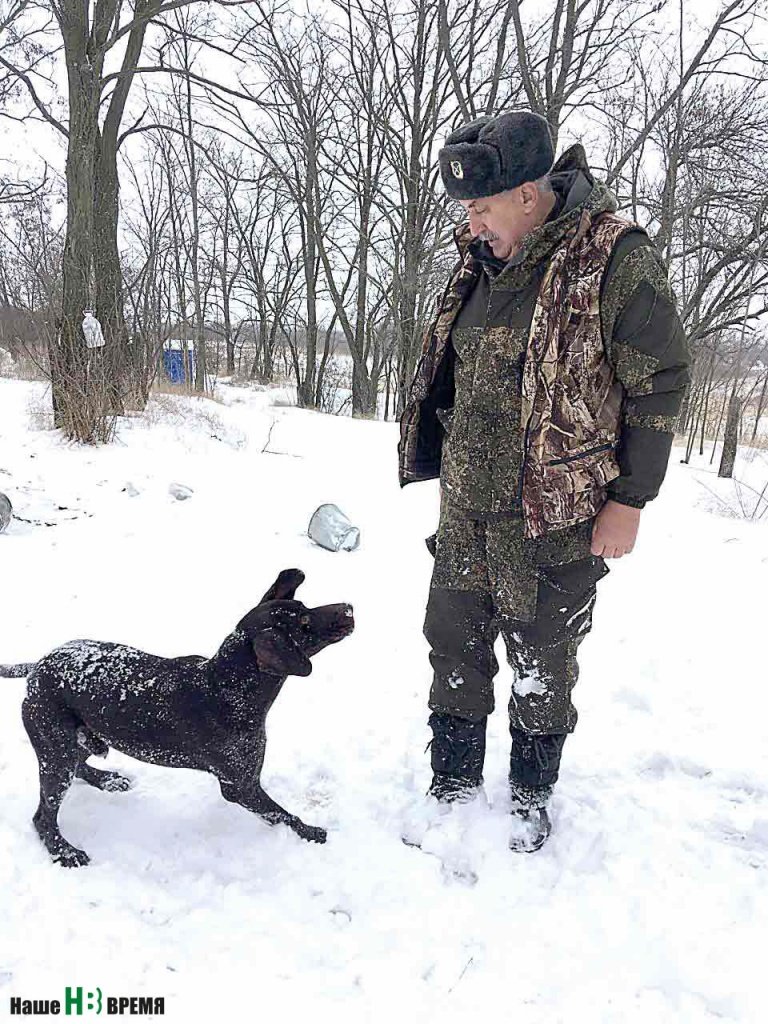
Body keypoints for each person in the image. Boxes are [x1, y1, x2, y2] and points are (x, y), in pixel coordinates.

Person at [398, 110, 690, 852]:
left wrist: (630, 501)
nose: (472, 221)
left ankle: (530, 795)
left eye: (483, 206)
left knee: (543, 656)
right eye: (467, 208)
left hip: (558, 509)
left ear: (530, 195)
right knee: (453, 641)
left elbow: (659, 383)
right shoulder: (482, 257)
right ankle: (454, 782)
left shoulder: (613, 256)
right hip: (468, 501)